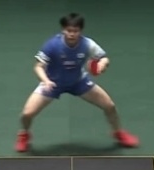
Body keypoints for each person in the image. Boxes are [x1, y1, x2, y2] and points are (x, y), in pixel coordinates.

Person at [14, 13, 139, 153]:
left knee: (109, 106)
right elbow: (38, 66)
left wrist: (102, 64)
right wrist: (46, 81)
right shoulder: (52, 45)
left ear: (81, 31)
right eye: (69, 30)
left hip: (78, 82)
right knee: (27, 114)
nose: (72, 34)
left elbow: (104, 58)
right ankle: (24, 135)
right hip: (53, 84)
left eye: (75, 31)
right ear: (63, 30)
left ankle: (118, 133)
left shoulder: (87, 44)